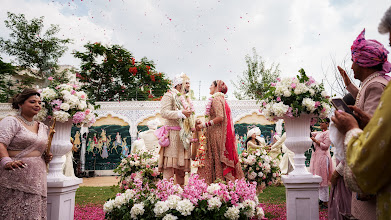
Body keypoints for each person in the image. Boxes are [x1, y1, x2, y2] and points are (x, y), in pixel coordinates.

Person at [330, 9, 391, 220]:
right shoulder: (373, 82)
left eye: (354, 61)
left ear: (363, 63)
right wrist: (348, 83)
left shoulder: (376, 85)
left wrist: (351, 127)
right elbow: (363, 103)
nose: (352, 66)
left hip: (373, 179)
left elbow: (375, 134)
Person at [0, 88, 53, 219]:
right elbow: (1, 143)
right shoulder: (11, 121)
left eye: (40, 103)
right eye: (32, 102)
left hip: (37, 177)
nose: (37, 105)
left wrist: (46, 156)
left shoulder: (42, 126)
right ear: (20, 104)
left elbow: (39, 149)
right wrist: (6, 161)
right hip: (14, 174)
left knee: (34, 212)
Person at [196, 80, 244, 184]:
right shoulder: (221, 99)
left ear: (216, 87)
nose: (209, 87)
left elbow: (220, 117)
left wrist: (204, 125)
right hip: (215, 133)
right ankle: (219, 184)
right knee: (214, 158)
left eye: (211, 85)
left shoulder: (216, 99)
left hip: (216, 134)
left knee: (216, 159)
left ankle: (219, 183)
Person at [158, 73, 194, 187]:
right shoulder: (169, 95)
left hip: (184, 137)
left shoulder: (186, 99)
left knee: (181, 171)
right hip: (172, 136)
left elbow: (190, 116)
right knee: (169, 169)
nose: (189, 85)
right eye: (186, 83)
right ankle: (166, 196)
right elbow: (164, 112)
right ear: (179, 85)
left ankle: (181, 196)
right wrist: (180, 113)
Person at [309, 118, 333, 209]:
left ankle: (325, 201)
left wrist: (315, 141)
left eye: (323, 122)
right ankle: (320, 199)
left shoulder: (328, 133)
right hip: (316, 157)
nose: (321, 123)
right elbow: (310, 134)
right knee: (317, 178)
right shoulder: (319, 133)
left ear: (327, 123)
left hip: (323, 158)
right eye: (320, 122)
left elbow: (325, 146)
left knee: (323, 179)